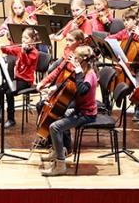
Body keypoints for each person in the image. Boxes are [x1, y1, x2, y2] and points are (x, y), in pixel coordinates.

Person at [40, 45, 98, 176]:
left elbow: (82, 90)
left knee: (54, 127)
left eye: (75, 58)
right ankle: (58, 152)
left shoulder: (90, 74)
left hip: (87, 114)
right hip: (79, 110)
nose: (72, 60)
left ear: (83, 59)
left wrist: (78, 72)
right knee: (56, 117)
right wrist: (54, 88)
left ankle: (60, 164)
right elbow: (69, 83)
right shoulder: (81, 70)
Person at [0, 27, 40, 128]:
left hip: (26, 81)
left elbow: (27, 62)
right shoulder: (20, 48)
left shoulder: (35, 53)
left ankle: (11, 119)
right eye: (22, 38)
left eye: (26, 38)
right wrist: (0, 46)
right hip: (17, 80)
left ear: (33, 40)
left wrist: (24, 52)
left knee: (9, 92)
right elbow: (9, 50)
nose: (23, 40)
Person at [106, 8, 139, 120]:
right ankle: (109, 103)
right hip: (125, 65)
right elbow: (111, 37)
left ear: (135, 21)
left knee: (138, 85)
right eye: (124, 20)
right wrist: (108, 39)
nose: (125, 23)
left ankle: (138, 108)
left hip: (138, 66)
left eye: (128, 20)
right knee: (110, 76)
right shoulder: (124, 33)